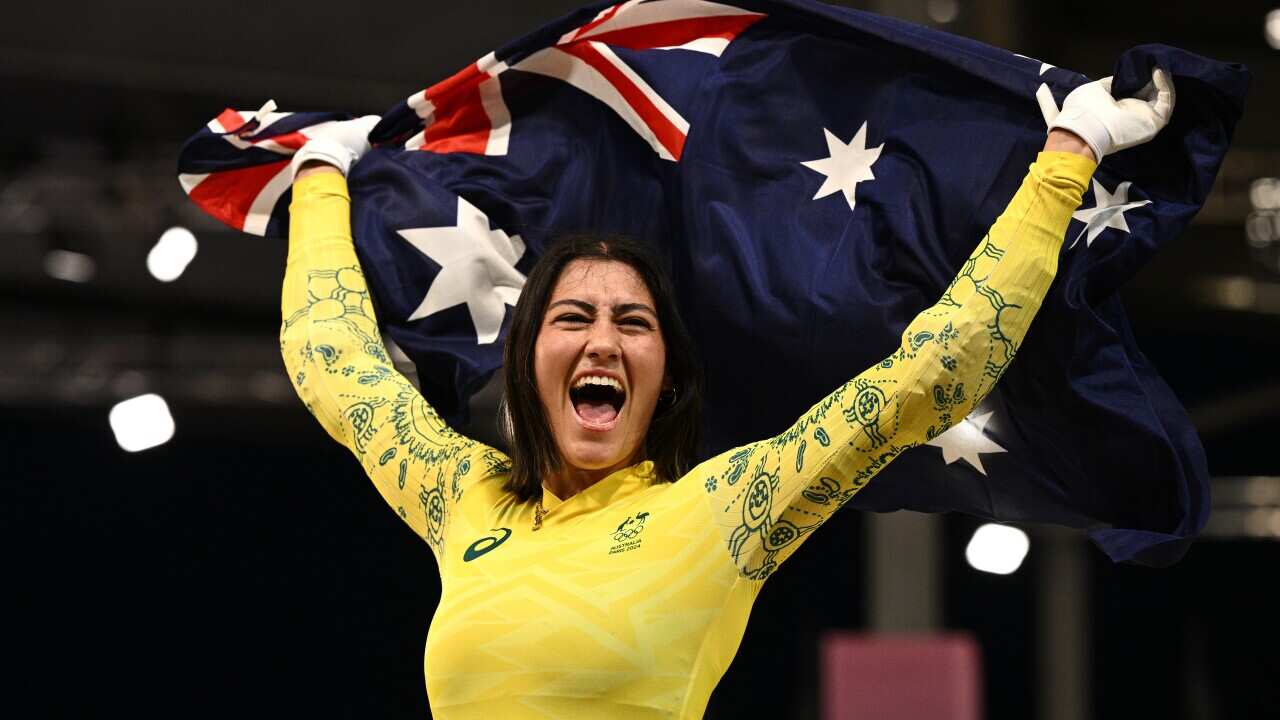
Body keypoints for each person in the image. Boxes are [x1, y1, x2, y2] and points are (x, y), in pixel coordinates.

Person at [279, 69, 1173, 718]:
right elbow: (333, 361)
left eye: (634, 323)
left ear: (666, 377)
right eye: (574, 318)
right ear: (527, 358)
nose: (602, 339)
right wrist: (321, 173)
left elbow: (935, 373)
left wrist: (1067, 157)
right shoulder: (463, 500)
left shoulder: (721, 510)